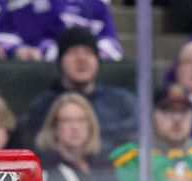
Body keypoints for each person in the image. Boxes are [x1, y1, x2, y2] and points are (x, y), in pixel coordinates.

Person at [22, 26, 135, 157]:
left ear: (97, 61)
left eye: (88, 52)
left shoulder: (121, 101)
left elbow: (136, 139)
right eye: (73, 52)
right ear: (60, 61)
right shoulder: (44, 106)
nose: (81, 58)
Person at [35, 92, 117, 181]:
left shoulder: (103, 165)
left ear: (90, 126)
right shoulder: (44, 169)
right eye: (66, 120)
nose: (75, 127)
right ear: (54, 127)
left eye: (81, 120)